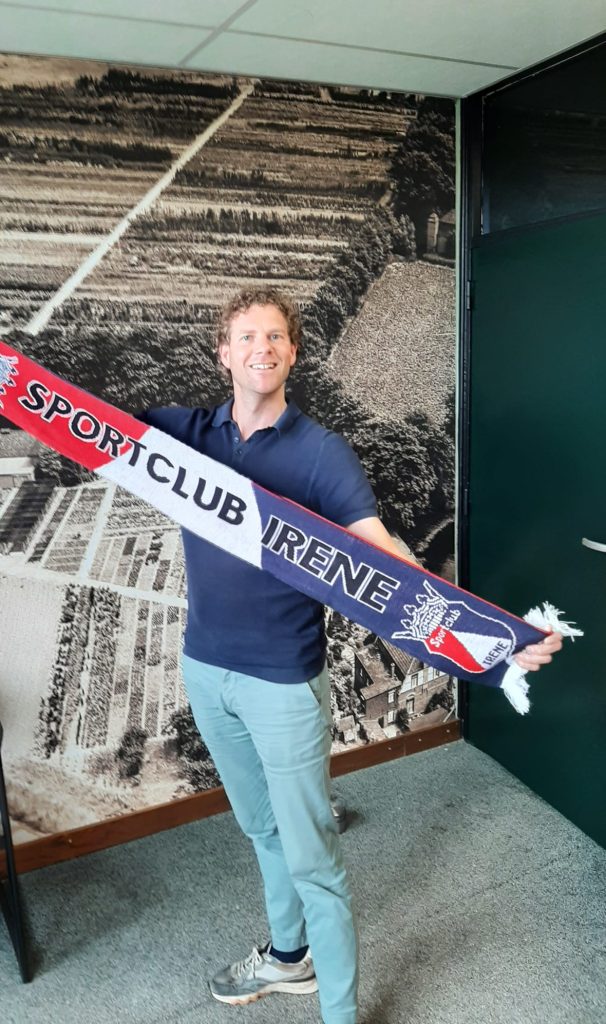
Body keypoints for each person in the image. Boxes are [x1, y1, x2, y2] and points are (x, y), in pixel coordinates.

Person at [141, 287, 562, 1024]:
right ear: (223, 353)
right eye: (247, 336)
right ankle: (287, 957)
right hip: (205, 670)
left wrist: (497, 641)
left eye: (276, 336)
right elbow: (85, 426)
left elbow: (385, 555)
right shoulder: (189, 434)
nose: (262, 347)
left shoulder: (319, 452)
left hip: (282, 684)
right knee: (261, 829)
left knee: (313, 858)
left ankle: (339, 1014)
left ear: (294, 352)